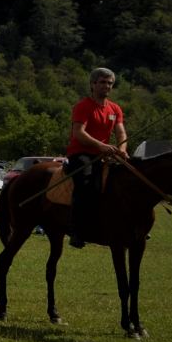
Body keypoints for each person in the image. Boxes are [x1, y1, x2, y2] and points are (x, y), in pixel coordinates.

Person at [66, 67, 126, 249]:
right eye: (102, 82)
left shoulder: (115, 109)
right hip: (82, 153)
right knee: (86, 184)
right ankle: (76, 230)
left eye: (109, 83)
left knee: (127, 181)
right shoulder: (83, 106)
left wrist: (122, 149)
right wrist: (102, 146)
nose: (106, 86)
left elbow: (121, 133)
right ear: (92, 85)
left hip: (104, 154)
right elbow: (78, 133)